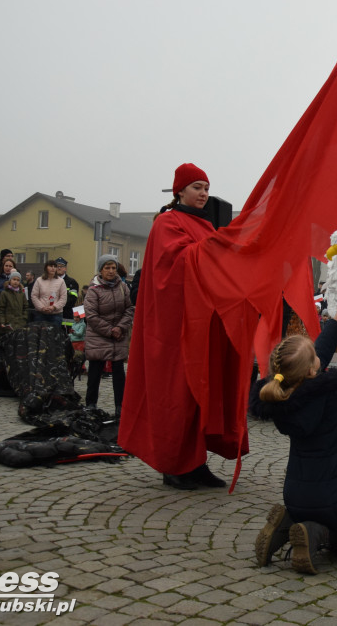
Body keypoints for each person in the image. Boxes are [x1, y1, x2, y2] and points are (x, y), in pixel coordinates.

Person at [119, 163, 244, 491]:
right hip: (175, 329)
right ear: (180, 191)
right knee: (177, 396)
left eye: (206, 188)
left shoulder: (205, 224)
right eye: (197, 187)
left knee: (200, 395)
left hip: (203, 326)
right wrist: (216, 248)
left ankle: (195, 463)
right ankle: (173, 465)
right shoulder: (167, 222)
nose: (203, 193)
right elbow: (172, 268)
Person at [251, 289, 337, 574]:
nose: (320, 357)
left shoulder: (286, 395)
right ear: (312, 371)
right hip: (333, 494)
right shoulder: (333, 390)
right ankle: (319, 534)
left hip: (296, 493)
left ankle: (290, 522)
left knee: (314, 512)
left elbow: (317, 353)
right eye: (315, 359)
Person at [83, 255, 135, 416]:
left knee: (119, 372)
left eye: (113, 268)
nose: (111, 271)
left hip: (118, 335)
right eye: (107, 268)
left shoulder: (123, 287)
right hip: (99, 335)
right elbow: (91, 316)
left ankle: (120, 406)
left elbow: (129, 309)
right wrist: (110, 330)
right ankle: (91, 404)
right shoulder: (93, 290)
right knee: (95, 372)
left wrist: (120, 328)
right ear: (101, 270)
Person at [30, 261, 66, 326]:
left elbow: (63, 298)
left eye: (55, 266)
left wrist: (54, 307)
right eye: (51, 266)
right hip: (40, 314)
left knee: (54, 334)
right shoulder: (39, 280)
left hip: (56, 315)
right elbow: (34, 296)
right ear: (46, 268)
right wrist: (42, 307)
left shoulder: (61, 281)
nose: (53, 268)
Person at [0, 271, 29, 335]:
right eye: (14, 279)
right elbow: (1, 308)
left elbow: (25, 307)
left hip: (20, 323)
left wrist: (24, 318)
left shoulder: (22, 294)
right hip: (8, 323)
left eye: (18, 280)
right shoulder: (4, 293)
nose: (16, 281)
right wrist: (2, 321)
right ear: (10, 280)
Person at [54, 257, 80, 334]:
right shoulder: (50, 281)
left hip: (66, 317)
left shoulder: (72, 282)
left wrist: (57, 305)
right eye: (57, 266)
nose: (58, 268)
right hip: (52, 316)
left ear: (65, 268)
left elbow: (72, 299)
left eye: (61, 266)